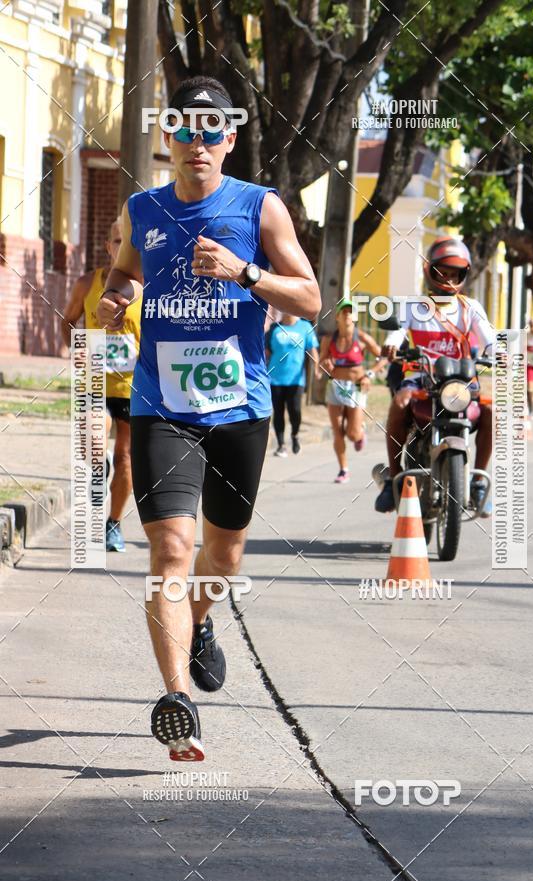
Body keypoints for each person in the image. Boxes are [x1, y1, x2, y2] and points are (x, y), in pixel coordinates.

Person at [96, 76, 320, 761]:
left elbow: (310, 297)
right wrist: (116, 296)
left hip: (240, 408)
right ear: (169, 138)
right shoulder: (141, 208)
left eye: (211, 130)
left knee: (222, 557)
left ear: (229, 138)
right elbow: (123, 275)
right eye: (184, 130)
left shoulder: (262, 208)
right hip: (162, 404)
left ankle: (199, 625)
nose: (198, 141)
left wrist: (244, 273)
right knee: (169, 551)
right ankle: (177, 702)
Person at [375, 236, 495, 516]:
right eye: (444, 273)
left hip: (460, 384)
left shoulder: (471, 309)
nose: (449, 280)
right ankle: (393, 477)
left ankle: (478, 479)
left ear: (463, 275)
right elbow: (398, 330)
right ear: (431, 272)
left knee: (491, 411)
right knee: (399, 404)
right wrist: (392, 343)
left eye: (455, 275)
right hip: (419, 381)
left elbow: (490, 339)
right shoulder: (415, 307)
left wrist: (501, 353)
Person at [61, 218, 142, 552]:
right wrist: (76, 349)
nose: (122, 247)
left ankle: (114, 523)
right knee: (96, 442)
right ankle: (99, 463)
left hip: (135, 386)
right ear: (108, 247)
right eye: (116, 241)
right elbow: (68, 320)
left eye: (128, 243)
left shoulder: (146, 287)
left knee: (126, 458)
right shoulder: (88, 283)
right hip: (94, 376)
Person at [317, 299, 383, 483]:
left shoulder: (362, 338)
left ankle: (360, 432)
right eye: (344, 312)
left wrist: (369, 374)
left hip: (356, 388)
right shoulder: (329, 339)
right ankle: (343, 470)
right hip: (336, 387)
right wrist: (326, 364)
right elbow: (321, 361)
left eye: (350, 312)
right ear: (337, 317)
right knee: (337, 431)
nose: (347, 315)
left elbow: (383, 357)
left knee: (352, 435)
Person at [265, 313, 319, 456]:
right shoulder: (274, 328)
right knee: (278, 411)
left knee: (295, 410)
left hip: (296, 379)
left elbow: (312, 349)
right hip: (275, 378)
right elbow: (266, 352)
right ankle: (281, 444)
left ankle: (295, 435)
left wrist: (317, 369)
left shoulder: (305, 326)